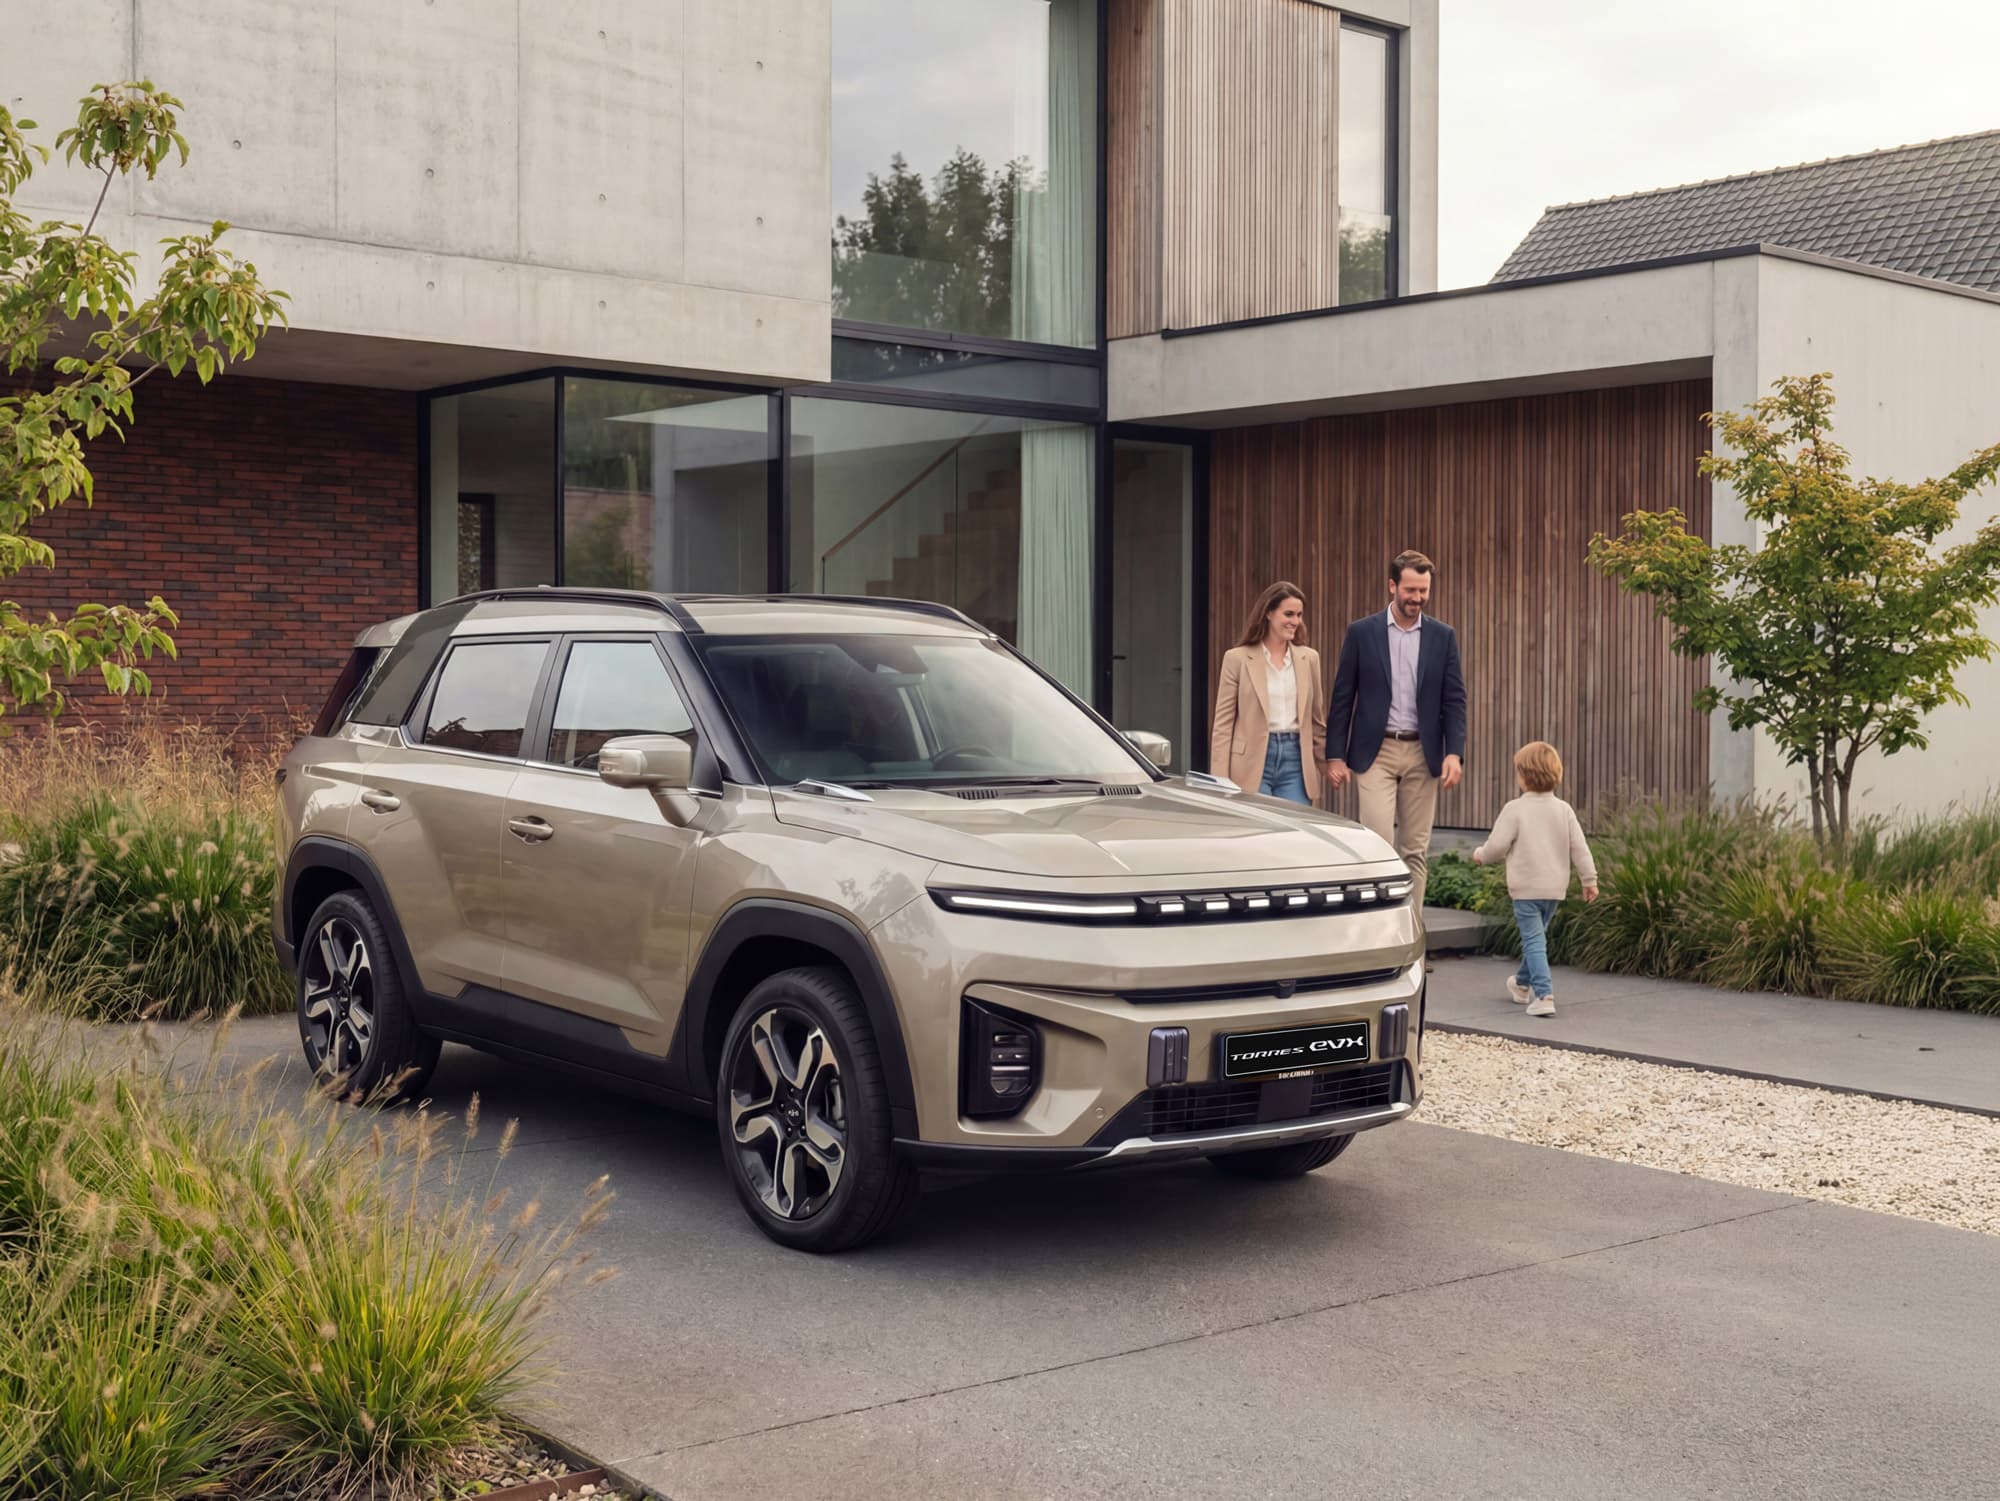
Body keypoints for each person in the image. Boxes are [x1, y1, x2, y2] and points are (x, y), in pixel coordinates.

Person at [1324, 550, 1467, 898]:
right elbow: (1344, 695)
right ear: (1392, 586)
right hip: (1377, 752)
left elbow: (1454, 699)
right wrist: (1335, 756)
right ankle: (1379, 934)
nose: (1417, 598)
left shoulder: (1442, 636)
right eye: (1410, 590)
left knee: (1415, 851)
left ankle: (1412, 939)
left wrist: (1454, 753)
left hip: (1423, 752)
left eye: (1424, 591)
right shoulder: (1362, 633)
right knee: (1378, 845)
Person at [1472, 741, 1599, 1018]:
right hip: (1554, 889)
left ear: (1523, 776)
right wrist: (1589, 880)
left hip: (1526, 889)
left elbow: (1497, 846)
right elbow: (1580, 848)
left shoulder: (1515, 809)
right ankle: (1521, 984)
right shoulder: (1563, 809)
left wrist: (1481, 855)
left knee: (1533, 941)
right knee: (1536, 939)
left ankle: (1544, 995)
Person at [1210, 582, 1326, 806]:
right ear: (1268, 613)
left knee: (1294, 834)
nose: (1296, 621)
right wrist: (1219, 779)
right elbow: (1222, 726)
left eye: (1299, 615)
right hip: (1251, 763)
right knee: (1257, 836)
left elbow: (1316, 719)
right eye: (1289, 614)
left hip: (1295, 761)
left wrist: (1327, 764)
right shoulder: (1237, 659)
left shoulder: (1309, 659)